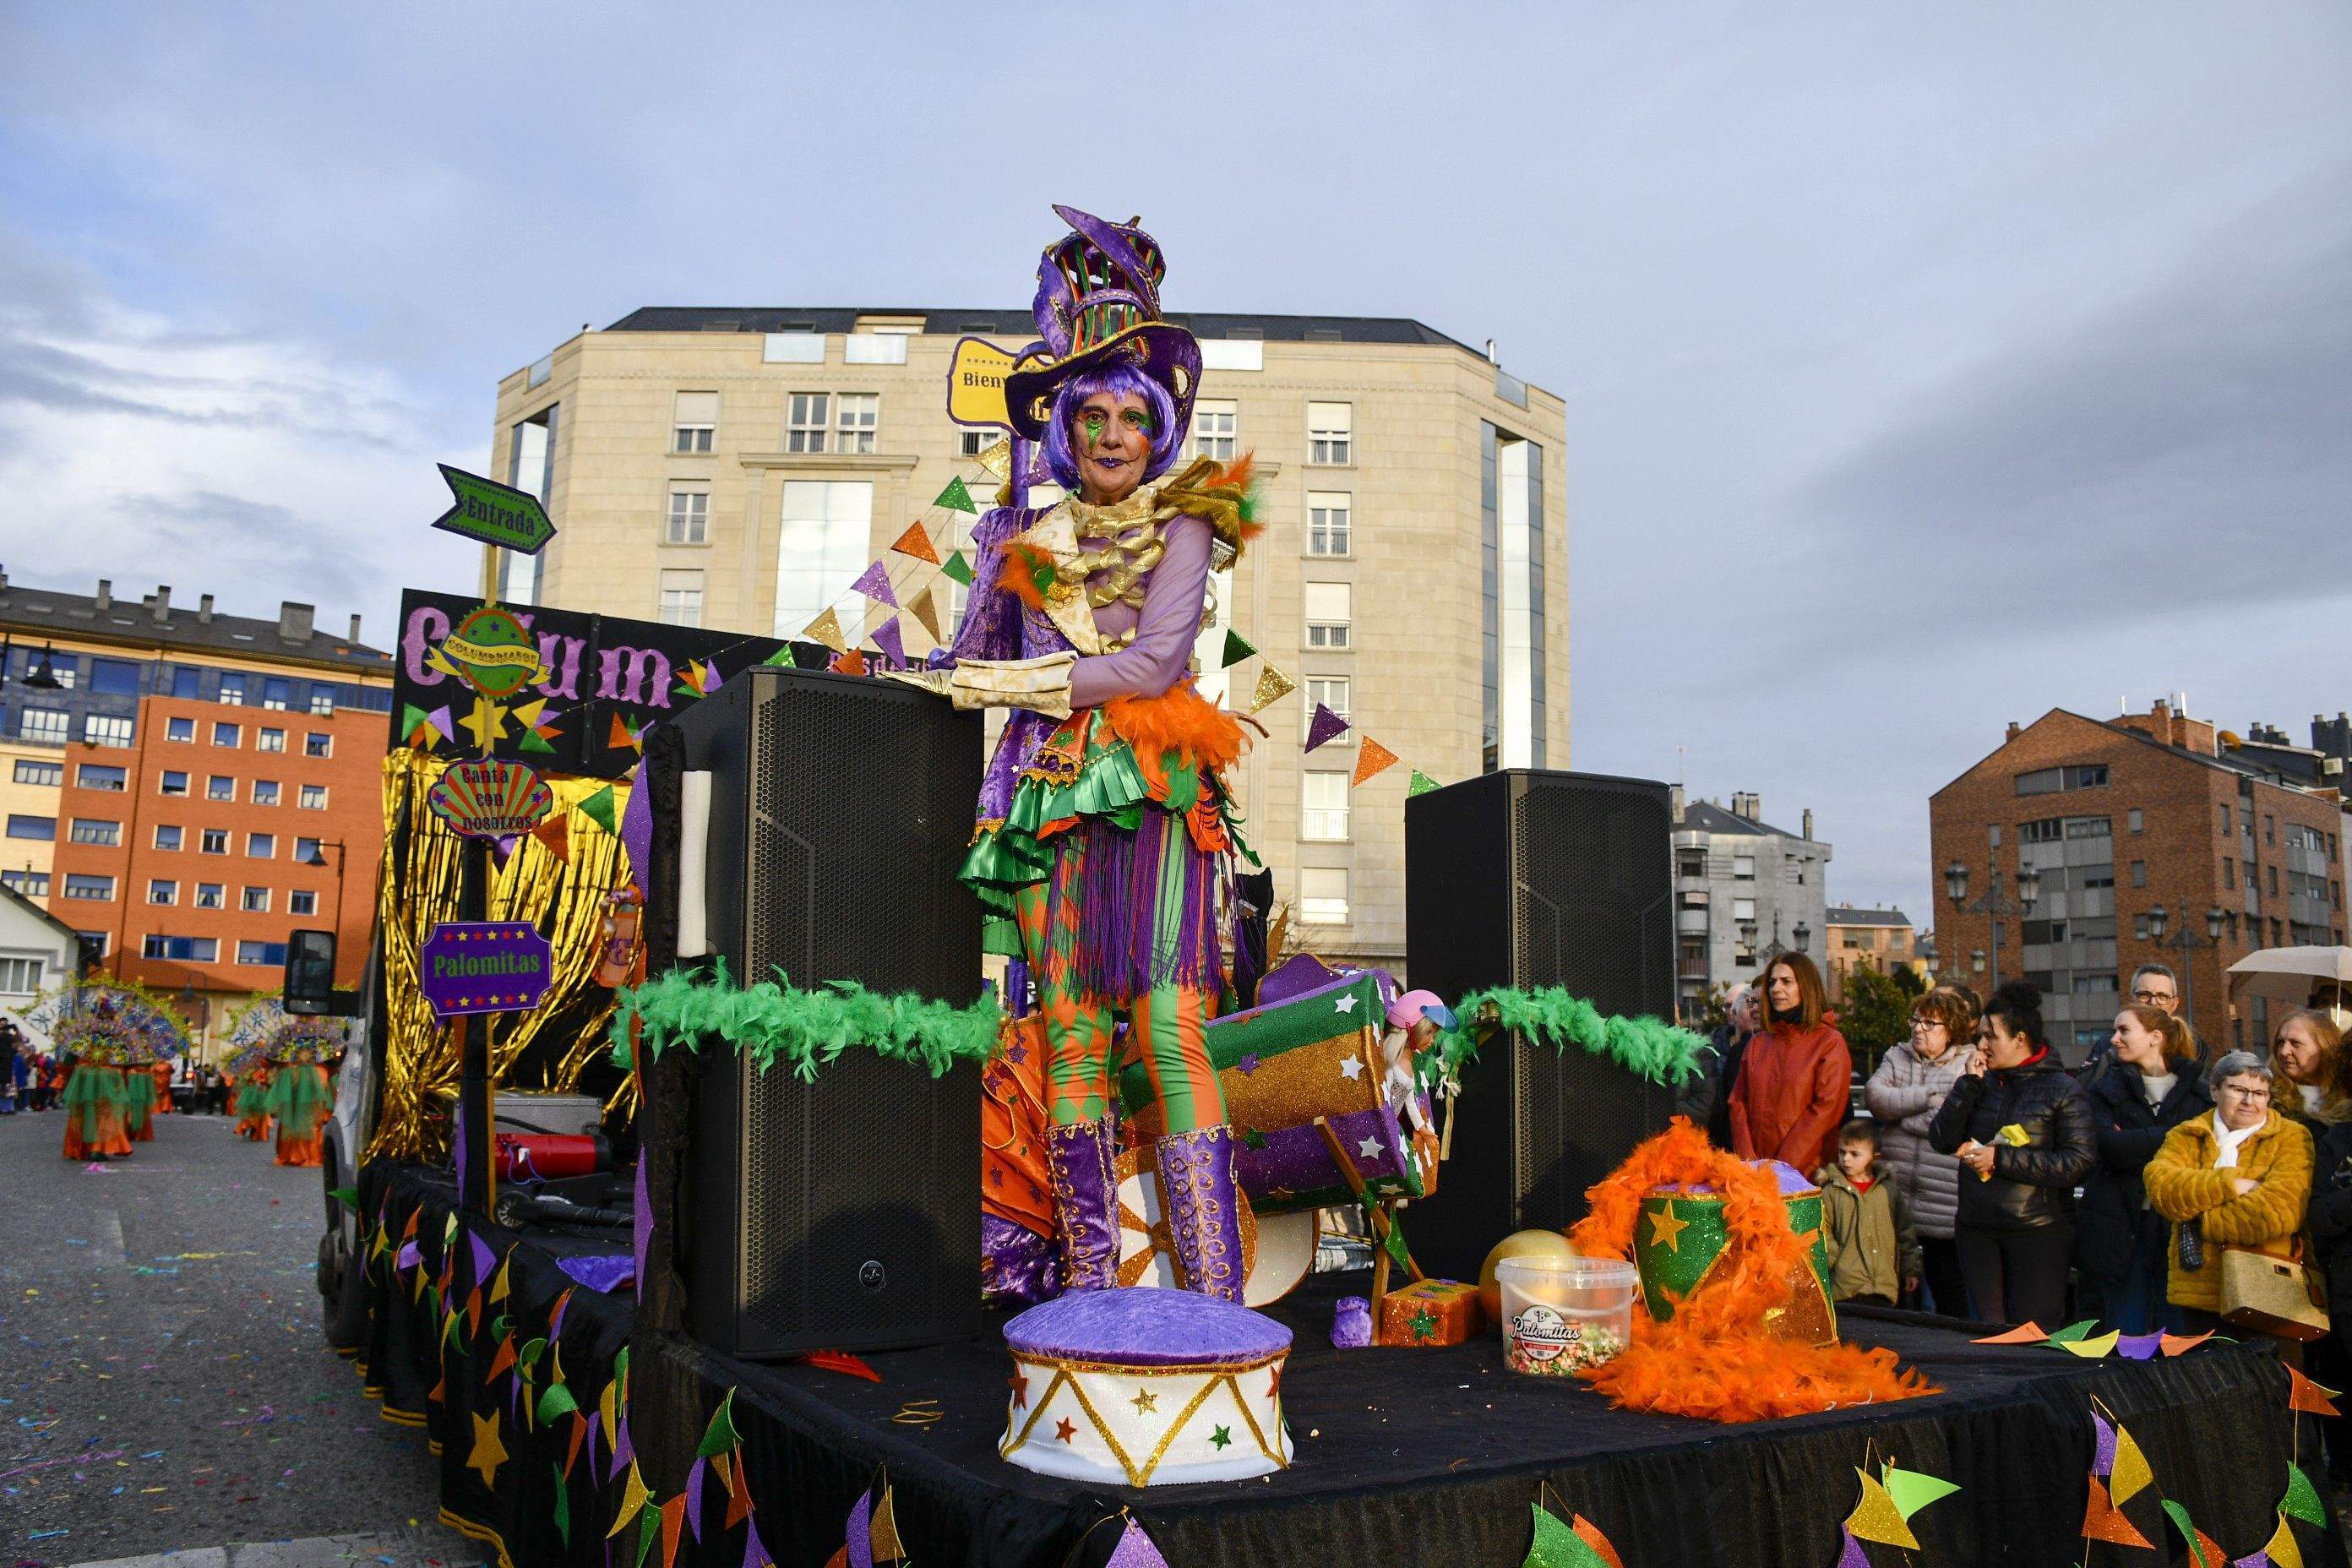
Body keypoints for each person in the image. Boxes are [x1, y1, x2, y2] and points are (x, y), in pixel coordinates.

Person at [902, 206, 1260, 1300]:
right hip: (1050, 803)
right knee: (1067, 1038)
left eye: (1131, 414)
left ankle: (1215, 1309)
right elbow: (959, 661)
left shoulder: (1190, 521)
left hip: (1155, 793)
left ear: (1159, 426)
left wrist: (1003, 683)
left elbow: (1154, 666)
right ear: (1063, 422)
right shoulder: (1014, 534)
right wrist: (903, 674)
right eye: (1090, 410)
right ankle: (1093, 1295)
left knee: (1167, 1028)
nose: (1111, 434)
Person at [1927, 981, 2095, 1326]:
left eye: (1992, 1036)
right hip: (1977, 1228)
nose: (1982, 1045)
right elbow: (1942, 1139)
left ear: (2020, 1039)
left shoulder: (2062, 1089)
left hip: (2038, 1229)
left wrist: (2001, 1159)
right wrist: (1967, 1085)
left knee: (2031, 1333)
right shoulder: (1979, 1081)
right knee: (1988, 1330)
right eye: (1981, 1035)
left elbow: (2079, 1162)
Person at [2144, 1050, 2314, 1334]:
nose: (2250, 1101)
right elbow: (2161, 1189)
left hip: (2269, 1288)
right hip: (2198, 1291)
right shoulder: (2186, 1135)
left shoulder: (2291, 1136)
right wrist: (2232, 1185)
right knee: (2204, 1376)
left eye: (2260, 1093)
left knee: (2273, 1375)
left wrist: (2198, 1220)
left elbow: (2278, 1212)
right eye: (2238, 1089)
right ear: (2214, 1090)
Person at [2076, 1004, 2210, 1333]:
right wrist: (2174, 1135)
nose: (2114, 1039)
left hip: (2176, 1225)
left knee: (2176, 1331)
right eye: (2114, 1030)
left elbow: (2201, 1155)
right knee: (2126, 1330)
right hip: (2120, 1223)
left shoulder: (2199, 1093)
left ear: (2155, 1037)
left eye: (2124, 1030)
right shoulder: (2106, 1090)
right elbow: (2107, 1147)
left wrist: (2133, 1141)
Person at [1866, 987, 1978, 1315]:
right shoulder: (1896, 1056)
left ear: (1952, 1030)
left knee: (1949, 1291)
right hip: (1897, 1199)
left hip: (1944, 1202)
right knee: (1899, 1293)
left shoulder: (1967, 1063)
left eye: (1930, 1024)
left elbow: (1944, 1125)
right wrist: (1930, 1094)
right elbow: (1875, 1098)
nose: (1919, 1028)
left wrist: (1901, 1113)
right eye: (1916, 1020)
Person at [1729, 953, 1852, 1175]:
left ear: (1805, 986)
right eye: (1773, 982)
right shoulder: (1757, 1044)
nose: (1776, 989)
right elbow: (1738, 1103)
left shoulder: (1829, 1042)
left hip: (1805, 1176)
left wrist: (1782, 1170)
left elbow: (1826, 1110)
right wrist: (1749, 1164)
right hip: (1755, 1176)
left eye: (1786, 982)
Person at [1816, 1119, 1922, 1308]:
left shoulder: (1889, 1192)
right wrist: (1825, 1268)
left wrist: (1910, 1270)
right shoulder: (1830, 1191)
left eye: (1854, 1154)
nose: (1846, 1159)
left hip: (1883, 1287)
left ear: (1875, 1156)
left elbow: (1905, 1233)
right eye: (1842, 1152)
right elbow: (1825, 1234)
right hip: (1845, 1287)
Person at [1697, 983, 1758, 1148]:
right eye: (1750, 1004)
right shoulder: (1707, 1048)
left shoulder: (1763, 1048)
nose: (1756, 1010)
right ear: (1734, 1012)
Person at [2270, 1010, 2350, 1127]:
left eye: (2295, 1043)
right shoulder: (2264, 1096)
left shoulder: (2346, 1098)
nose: (2284, 1051)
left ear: (2324, 1046)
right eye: (2281, 1042)